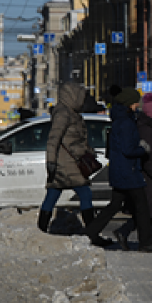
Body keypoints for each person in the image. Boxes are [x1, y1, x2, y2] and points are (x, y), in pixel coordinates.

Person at [85, 87, 152, 253]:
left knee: (114, 205)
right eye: (136, 102)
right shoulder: (126, 122)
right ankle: (146, 243)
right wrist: (143, 149)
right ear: (130, 103)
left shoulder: (119, 119)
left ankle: (90, 233)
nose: (138, 105)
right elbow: (129, 149)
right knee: (142, 208)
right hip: (128, 171)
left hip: (120, 169)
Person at [113, 93, 152, 251]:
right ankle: (137, 238)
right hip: (150, 176)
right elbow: (148, 156)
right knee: (148, 212)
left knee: (151, 212)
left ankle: (148, 241)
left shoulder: (150, 128)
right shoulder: (147, 130)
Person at [38, 83, 96, 234]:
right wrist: (50, 161)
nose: (82, 101)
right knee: (84, 192)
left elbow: (75, 138)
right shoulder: (63, 113)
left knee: (53, 193)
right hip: (66, 163)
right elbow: (53, 139)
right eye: (81, 97)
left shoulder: (70, 112)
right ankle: (92, 232)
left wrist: (89, 151)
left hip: (66, 162)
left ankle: (41, 230)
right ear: (73, 96)